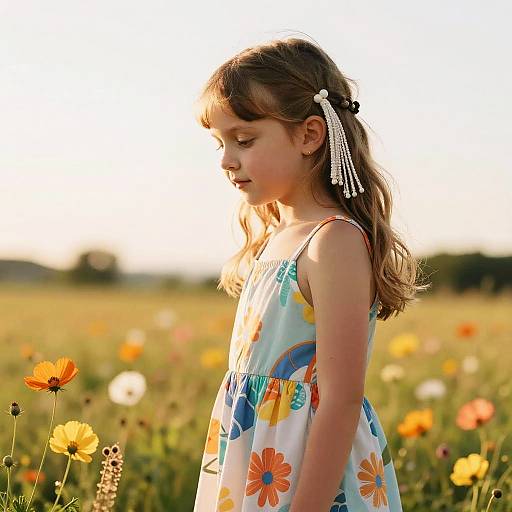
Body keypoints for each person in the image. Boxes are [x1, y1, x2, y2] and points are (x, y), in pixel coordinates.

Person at [192, 36, 428, 511]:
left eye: (244, 140)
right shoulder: (278, 235)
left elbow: (341, 399)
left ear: (309, 136)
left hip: (310, 482)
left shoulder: (332, 242)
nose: (225, 159)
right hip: (258, 461)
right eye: (220, 143)